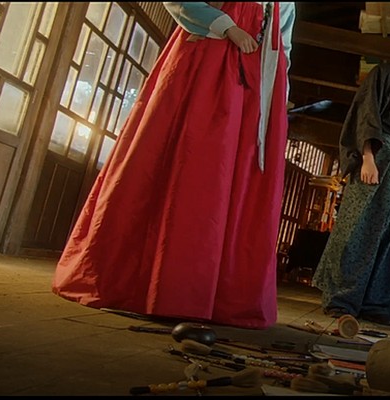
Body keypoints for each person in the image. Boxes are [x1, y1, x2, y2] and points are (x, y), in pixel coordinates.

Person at [51, 2, 296, 329]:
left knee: (228, 183)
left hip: (254, 87)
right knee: (187, 167)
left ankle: (211, 295)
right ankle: (154, 285)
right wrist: (227, 27)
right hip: (203, 67)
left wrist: (279, 88)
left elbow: (284, 42)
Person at [312, 19, 390, 326]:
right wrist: (367, 157)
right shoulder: (384, 73)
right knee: (360, 229)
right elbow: (366, 115)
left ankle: (378, 304)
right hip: (380, 159)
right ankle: (343, 298)